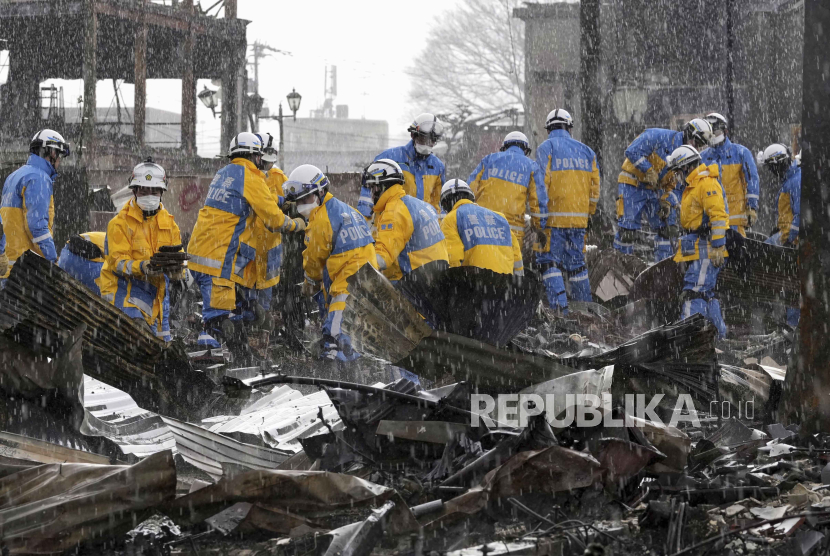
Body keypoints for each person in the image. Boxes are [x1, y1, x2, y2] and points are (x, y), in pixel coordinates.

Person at [188, 132, 305, 350]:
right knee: (218, 321)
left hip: (200, 253)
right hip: (218, 258)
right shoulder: (250, 176)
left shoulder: (225, 173)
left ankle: (225, 353)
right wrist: (297, 224)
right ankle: (212, 364)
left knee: (229, 312)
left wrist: (282, 201)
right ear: (256, 156)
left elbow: (259, 197)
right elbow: (273, 219)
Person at [288, 164, 377, 362]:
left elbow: (313, 261)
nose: (302, 204)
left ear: (320, 192)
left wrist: (309, 285)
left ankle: (342, 385)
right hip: (369, 285)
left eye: (306, 198)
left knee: (336, 337)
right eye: (299, 200)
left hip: (347, 287)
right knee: (354, 340)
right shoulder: (348, 210)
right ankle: (360, 379)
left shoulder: (320, 220)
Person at [99, 160, 185, 341]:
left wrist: (178, 272)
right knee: (141, 342)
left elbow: (179, 259)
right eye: (144, 190)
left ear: (162, 192)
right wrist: (143, 267)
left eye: (154, 191)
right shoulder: (119, 223)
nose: (149, 195)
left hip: (158, 297)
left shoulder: (170, 225)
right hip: (125, 293)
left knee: (163, 350)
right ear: (134, 191)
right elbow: (117, 262)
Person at [613, 119, 713, 261]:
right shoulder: (657, 136)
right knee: (627, 232)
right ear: (689, 134)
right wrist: (647, 170)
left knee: (668, 230)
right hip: (632, 184)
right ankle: (620, 263)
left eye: (701, 145)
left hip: (656, 190)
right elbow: (631, 151)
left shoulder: (689, 158)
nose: (698, 147)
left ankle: (662, 266)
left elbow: (679, 187)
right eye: (697, 143)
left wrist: (667, 201)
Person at [533, 109, 599, 312]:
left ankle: (561, 311)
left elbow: (540, 186)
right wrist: (588, 214)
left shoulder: (547, 147)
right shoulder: (587, 151)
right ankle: (586, 312)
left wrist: (539, 222)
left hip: (554, 221)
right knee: (577, 265)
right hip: (579, 221)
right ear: (569, 127)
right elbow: (595, 190)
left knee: (548, 263)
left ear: (548, 129)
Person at [668, 145, 729, 338]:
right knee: (706, 294)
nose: (677, 176)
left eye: (678, 171)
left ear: (685, 167)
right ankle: (719, 336)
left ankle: (687, 337)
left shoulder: (706, 184)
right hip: (698, 246)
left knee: (694, 292)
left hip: (706, 247)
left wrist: (718, 246)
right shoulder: (694, 185)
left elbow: (718, 216)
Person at [1, 129, 71, 283]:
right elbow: (36, 226)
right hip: (23, 273)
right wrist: (52, 260)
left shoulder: (14, 176)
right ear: (52, 153)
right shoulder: (39, 178)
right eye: (59, 155)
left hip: (7, 268)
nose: (59, 161)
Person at [363, 159, 448, 283]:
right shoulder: (419, 205)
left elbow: (382, 258)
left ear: (380, 186)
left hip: (416, 286)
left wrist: (356, 264)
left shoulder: (394, 212)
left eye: (372, 188)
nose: (371, 194)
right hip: (439, 279)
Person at [357, 113, 446, 218]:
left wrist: (437, 224)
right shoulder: (389, 157)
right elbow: (369, 186)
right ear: (413, 135)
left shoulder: (438, 166)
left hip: (421, 227)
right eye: (423, 139)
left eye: (432, 141)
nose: (427, 144)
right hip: (390, 223)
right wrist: (365, 216)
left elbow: (437, 203)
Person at [467, 131, 546, 247]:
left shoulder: (489, 160)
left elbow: (470, 188)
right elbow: (538, 202)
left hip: (482, 224)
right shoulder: (531, 166)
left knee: (481, 261)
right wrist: (539, 227)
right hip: (511, 231)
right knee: (510, 263)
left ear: (505, 147)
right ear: (525, 150)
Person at [439, 179, 523, 276]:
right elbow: (517, 257)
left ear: (445, 204)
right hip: (505, 285)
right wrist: (518, 282)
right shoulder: (500, 218)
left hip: (474, 285)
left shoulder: (450, 220)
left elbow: (452, 259)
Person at [758, 143, 800, 328]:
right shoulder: (790, 179)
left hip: (794, 242)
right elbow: (788, 214)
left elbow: (799, 215)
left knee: (794, 285)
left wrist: (789, 238)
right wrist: (779, 230)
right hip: (788, 237)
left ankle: (791, 326)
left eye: (771, 167)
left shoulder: (796, 180)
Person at [700, 113, 759, 236]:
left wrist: (752, 207)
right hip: (711, 220)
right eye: (709, 133)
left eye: (715, 132)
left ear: (725, 131)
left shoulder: (741, 152)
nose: (712, 137)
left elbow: (752, 179)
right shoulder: (703, 157)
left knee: (736, 253)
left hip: (735, 219)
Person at [250, 131, 288, 315]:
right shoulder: (247, 175)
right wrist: (276, 200)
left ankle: (262, 326)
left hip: (270, 244)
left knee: (266, 291)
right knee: (247, 290)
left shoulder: (279, 177)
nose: (268, 165)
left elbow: (291, 199)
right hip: (250, 243)